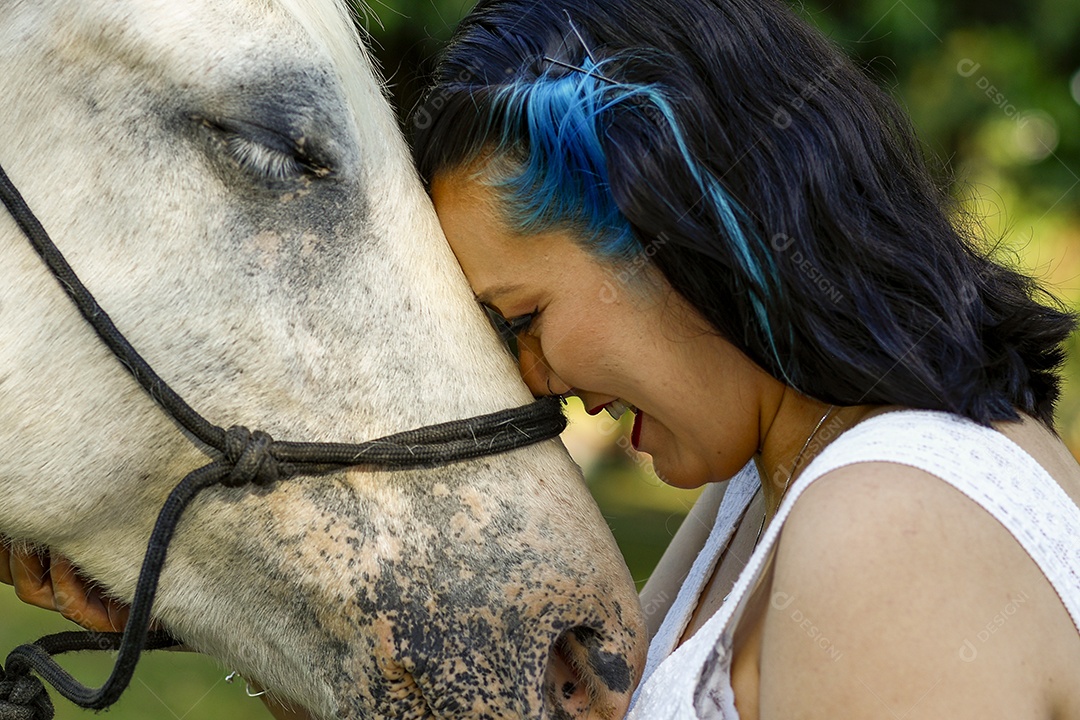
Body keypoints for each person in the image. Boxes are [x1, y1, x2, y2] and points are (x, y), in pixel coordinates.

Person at [5, 0, 1079, 717]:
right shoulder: (780, 491)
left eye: (519, 319)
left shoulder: (889, 523)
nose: (529, 381)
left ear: (678, 228)